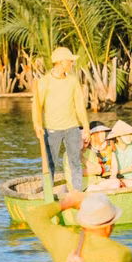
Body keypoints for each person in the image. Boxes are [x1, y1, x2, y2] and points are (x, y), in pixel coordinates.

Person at [32, 46, 91, 191]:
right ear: (60, 62)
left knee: (75, 161)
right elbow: (37, 106)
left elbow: (79, 105)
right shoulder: (45, 81)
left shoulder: (72, 80)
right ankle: (48, 190)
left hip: (72, 127)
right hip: (52, 129)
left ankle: (77, 191)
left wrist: (86, 126)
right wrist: (37, 125)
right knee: (50, 162)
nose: (72, 63)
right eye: (69, 61)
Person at [106, 120, 132, 187]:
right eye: (125, 135)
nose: (129, 137)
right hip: (116, 179)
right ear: (118, 138)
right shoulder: (112, 148)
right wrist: (126, 170)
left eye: (130, 134)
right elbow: (107, 173)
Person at [81, 121, 114, 189]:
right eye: (98, 133)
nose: (102, 135)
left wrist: (113, 175)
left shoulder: (110, 144)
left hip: (110, 176)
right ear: (92, 135)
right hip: (94, 178)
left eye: (103, 132)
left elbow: (114, 164)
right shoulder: (86, 148)